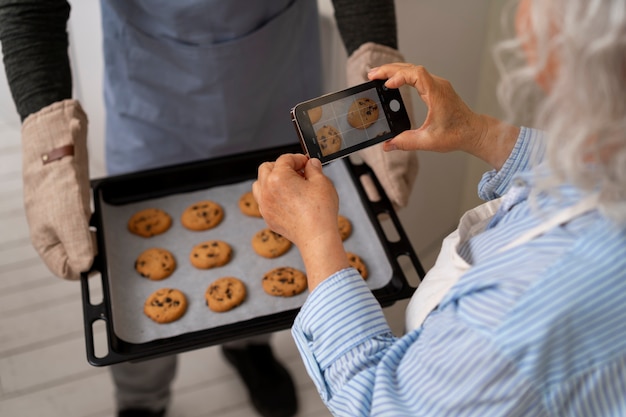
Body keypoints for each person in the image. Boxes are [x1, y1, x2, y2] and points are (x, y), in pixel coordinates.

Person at [0, 1, 419, 417]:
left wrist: (375, 65)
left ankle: (249, 347)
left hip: (273, 67)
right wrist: (48, 138)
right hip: (152, 87)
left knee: (279, 232)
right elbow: (30, 7)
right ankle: (142, 398)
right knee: (132, 284)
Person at [253, 0, 626, 415]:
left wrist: (317, 235)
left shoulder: (520, 312)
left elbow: (379, 403)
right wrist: (482, 134)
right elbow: (593, 175)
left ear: (562, 46)